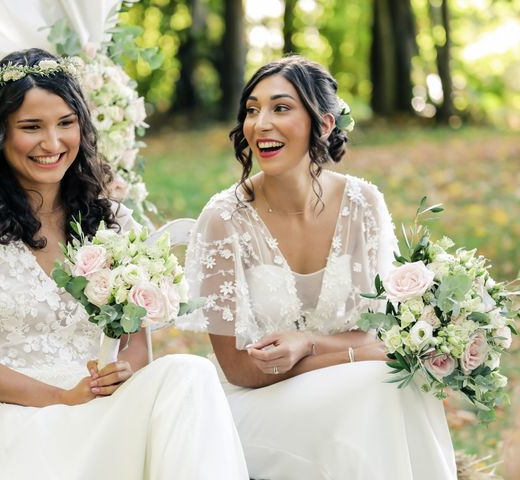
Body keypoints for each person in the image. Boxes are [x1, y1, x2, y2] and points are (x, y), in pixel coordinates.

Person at [0, 48, 248, 480]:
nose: (52, 143)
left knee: (190, 372)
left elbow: (135, 348)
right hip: (15, 419)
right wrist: (60, 397)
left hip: (103, 408)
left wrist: (119, 373)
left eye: (65, 124)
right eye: (31, 127)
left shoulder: (110, 219)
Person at [178, 56, 457, 479]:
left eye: (281, 108)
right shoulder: (223, 219)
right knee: (381, 385)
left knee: (392, 388)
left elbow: (369, 328)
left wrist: (308, 343)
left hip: (353, 390)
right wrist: (353, 357)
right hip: (257, 405)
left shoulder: (363, 204)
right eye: (252, 110)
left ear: (323, 124)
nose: (261, 124)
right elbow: (238, 369)